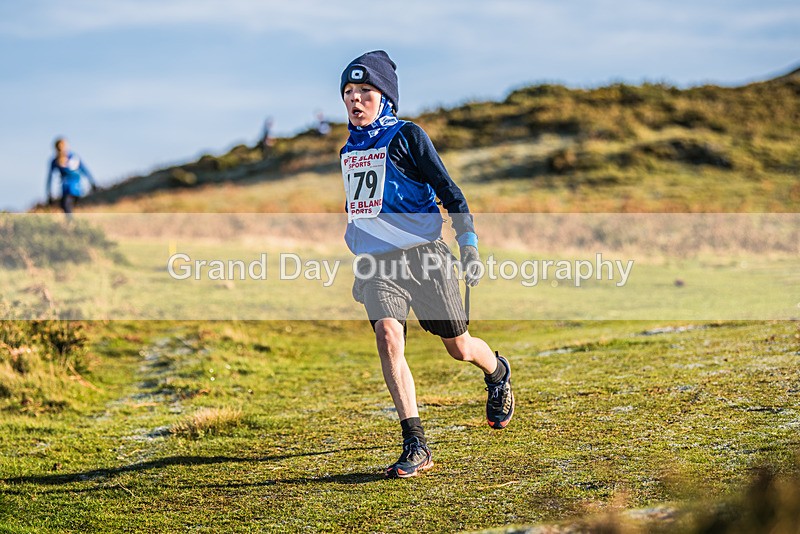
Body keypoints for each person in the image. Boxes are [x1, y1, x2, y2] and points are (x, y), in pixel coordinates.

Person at [339, 50, 514, 478]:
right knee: (387, 338)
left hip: (426, 260)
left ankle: (497, 370)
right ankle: (415, 443)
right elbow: (359, 212)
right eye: (348, 92)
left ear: (386, 98)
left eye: (365, 91)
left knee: (459, 347)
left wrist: (469, 246)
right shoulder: (348, 151)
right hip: (380, 266)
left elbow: (451, 194)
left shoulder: (408, 136)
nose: (355, 100)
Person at [46, 137, 97, 215]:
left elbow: (84, 170)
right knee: (66, 207)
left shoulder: (73, 157)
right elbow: (50, 178)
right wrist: (49, 192)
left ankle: (72, 225)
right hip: (66, 189)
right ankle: (73, 224)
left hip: (75, 188)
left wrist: (93, 183)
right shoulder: (55, 161)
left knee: (67, 207)